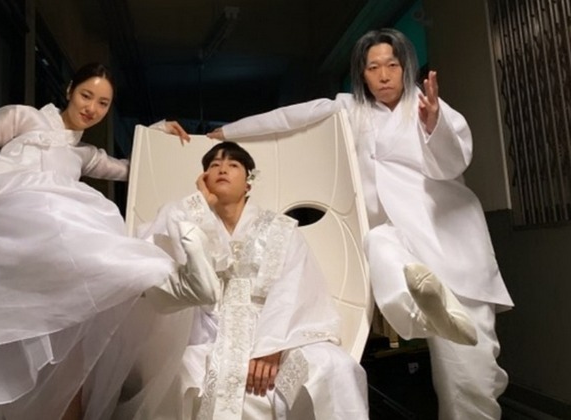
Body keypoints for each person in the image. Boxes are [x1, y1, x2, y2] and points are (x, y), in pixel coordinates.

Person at [0, 62, 219, 420]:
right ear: (70, 91)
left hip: (42, 244)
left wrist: (154, 136)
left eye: (103, 104)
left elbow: (130, 168)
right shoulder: (25, 117)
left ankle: (154, 280)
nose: (91, 108)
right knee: (55, 216)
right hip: (7, 215)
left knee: (97, 222)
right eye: (86, 95)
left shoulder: (85, 154)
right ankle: (155, 279)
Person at [207, 29, 514, 419]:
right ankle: (423, 312)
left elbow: (452, 164)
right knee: (378, 244)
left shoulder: (430, 107)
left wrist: (434, 125)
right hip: (400, 244)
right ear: (362, 74)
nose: (384, 75)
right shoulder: (349, 110)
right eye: (373, 67)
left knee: (470, 384)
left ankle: (443, 317)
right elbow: (288, 119)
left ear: (406, 68)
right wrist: (223, 134)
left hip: (450, 245)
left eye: (392, 65)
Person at [114, 142, 368, 419]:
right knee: (180, 371)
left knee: (334, 365)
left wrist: (272, 346)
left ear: (248, 183)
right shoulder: (186, 215)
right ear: (203, 180)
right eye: (214, 165)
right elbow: (155, 251)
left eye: (233, 164)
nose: (222, 169)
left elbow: (294, 287)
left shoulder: (280, 229)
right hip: (206, 334)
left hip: (274, 332)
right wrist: (198, 204)